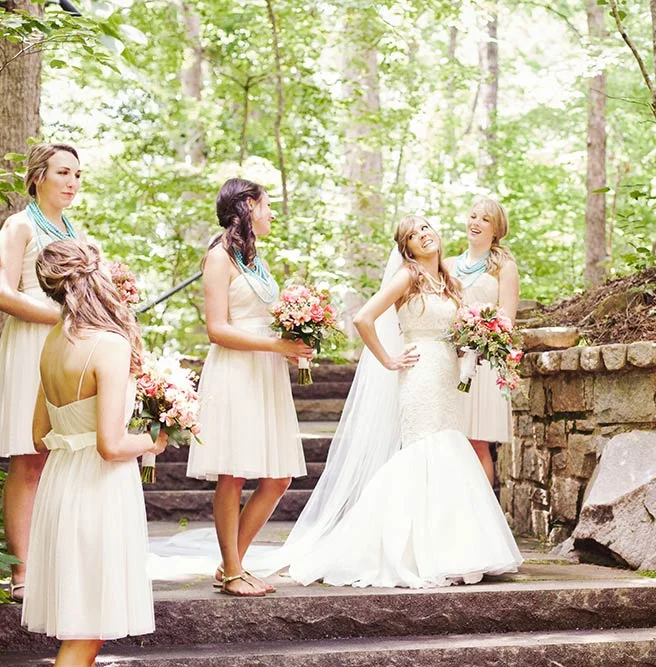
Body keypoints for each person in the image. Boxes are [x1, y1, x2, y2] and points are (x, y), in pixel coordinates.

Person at [285, 215, 522, 588]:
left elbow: (458, 332)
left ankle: (455, 549)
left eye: (426, 228)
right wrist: (388, 359)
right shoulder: (408, 277)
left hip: (448, 373)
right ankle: (408, 549)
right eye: (413, 235)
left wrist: (476, 344)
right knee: (425, 450)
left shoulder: (451, 282)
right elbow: (364, 318)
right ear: (406, 248)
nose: (423, 236)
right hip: (419, 374)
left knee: (450, 449)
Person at [24, 239, 167, 666]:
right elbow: (111, 445)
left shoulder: (51, 342)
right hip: (97, 492)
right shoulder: (109, 345)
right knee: (87, 631)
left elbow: (37, 435)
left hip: (62, 485)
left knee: (88, 628)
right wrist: (154, 441)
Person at [185, 178, 312, 596]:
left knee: (278, 478)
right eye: (267, 205)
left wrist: (291, 347)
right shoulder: (219, 258)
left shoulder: (257, 261)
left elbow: (264, 318)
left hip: (266, 373)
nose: (272, 213)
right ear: (247, 207)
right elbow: (217, 329)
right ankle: (235, 571)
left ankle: (229, 565)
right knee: (234, 474)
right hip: (235, 372)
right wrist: (276, 343)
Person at [0, 143, 86, 603]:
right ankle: (23, 575)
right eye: (63, 173)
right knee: (28, 456)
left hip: (69, 352)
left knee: (59, 456)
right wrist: (58, 315)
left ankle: (54, 565)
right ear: (38, 178)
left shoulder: (76, 231)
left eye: (77, 174)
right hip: (31, 345)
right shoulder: (18, 226)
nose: (72, 182)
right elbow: (2, 291)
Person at [445, 197, 518, 485]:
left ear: (496, 229)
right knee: (448, 441)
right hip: (450, 361)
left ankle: (483, 521)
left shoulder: (504, 267)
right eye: (473, 216)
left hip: (484, 364)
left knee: (477, 443)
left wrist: (480, 339)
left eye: (485, 219)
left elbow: (507, 323)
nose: (475, 222)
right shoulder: (447, 265)